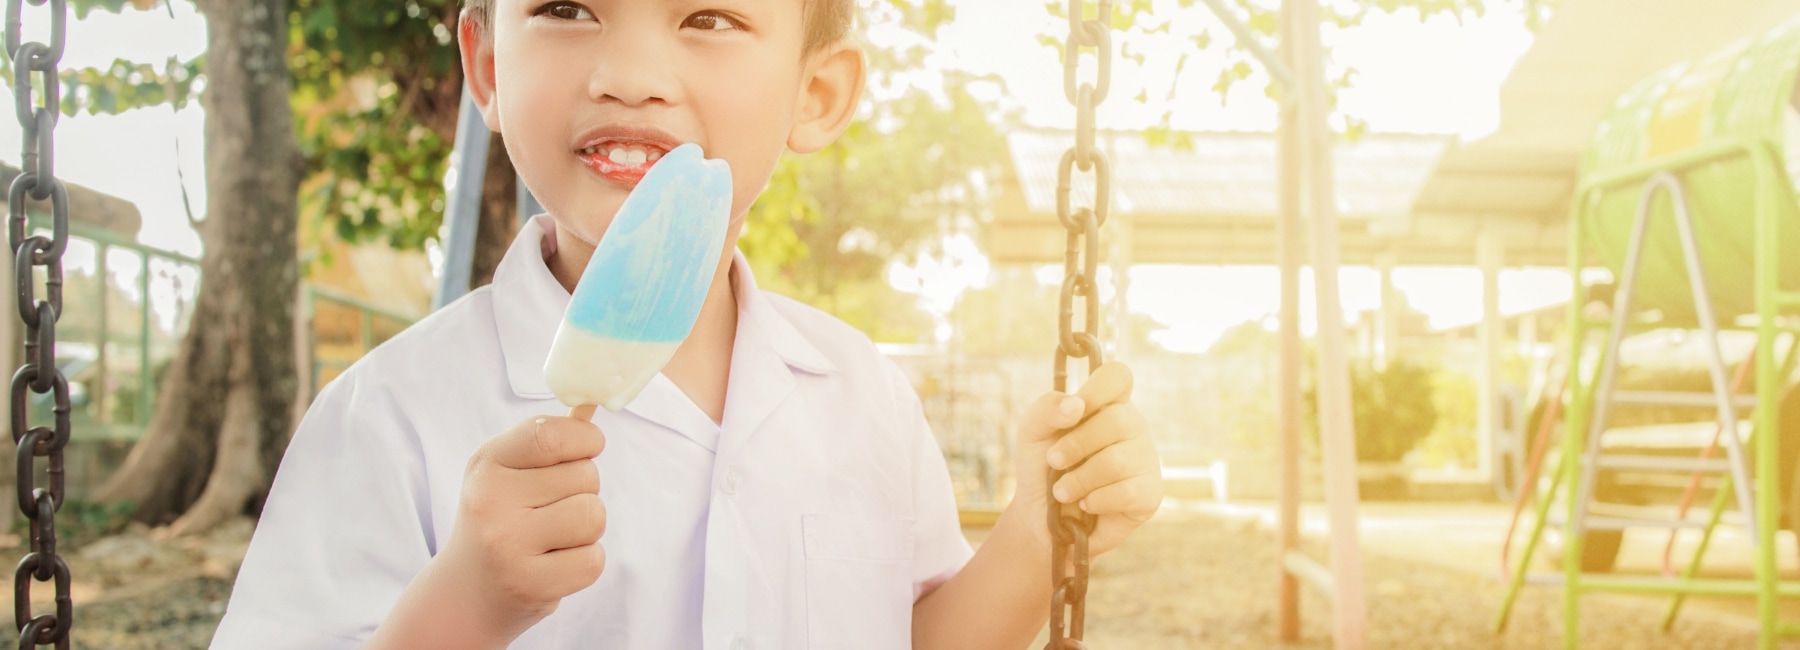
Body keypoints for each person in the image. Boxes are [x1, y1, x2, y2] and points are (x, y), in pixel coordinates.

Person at [210, 0, 1163, 647]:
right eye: (568, 7)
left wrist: (1040, 535)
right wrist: (466, 601)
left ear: (816, 94)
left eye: (708, 17)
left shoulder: (863, 394)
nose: (629, 75)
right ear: (490, 67)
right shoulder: (389, 415)